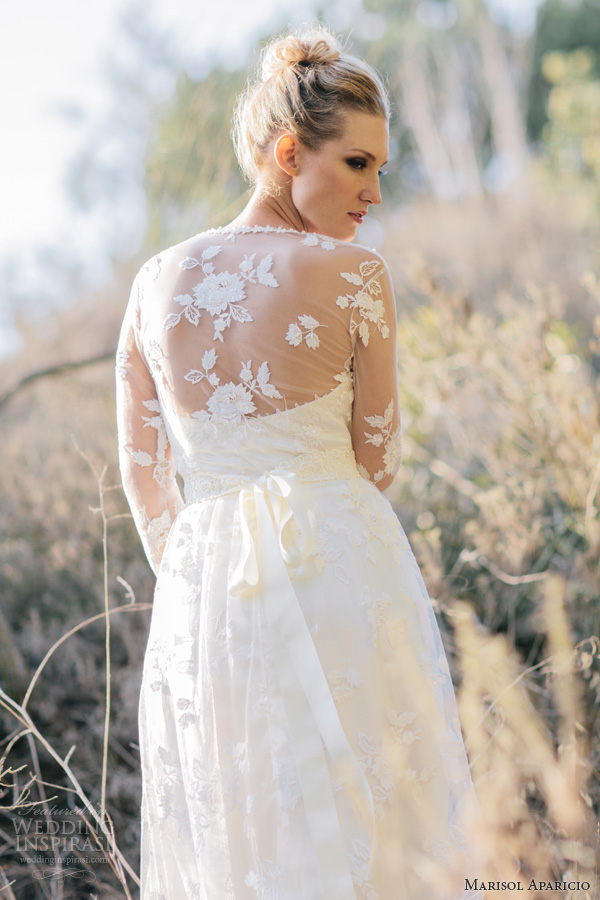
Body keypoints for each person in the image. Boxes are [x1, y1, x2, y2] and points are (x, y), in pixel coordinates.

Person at [116, 25, 482, 900]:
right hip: (336, 553)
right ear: (288, 152)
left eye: (381, 170)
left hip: (202, 588)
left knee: (244, 816)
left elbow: (140, 469)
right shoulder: (356, 274)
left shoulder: (152, 280)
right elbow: (378, 455)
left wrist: (198, 569)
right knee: (374, 806)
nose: (375, 193)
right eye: (360, 165)